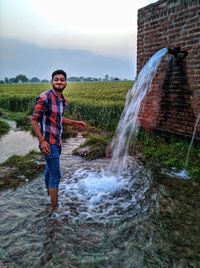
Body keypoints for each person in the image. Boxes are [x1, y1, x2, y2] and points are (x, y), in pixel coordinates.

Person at [31, 69, 86, 212]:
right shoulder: (44, 98)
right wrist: (42, 141)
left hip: (58, 142)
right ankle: (55, 210)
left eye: (62, 79)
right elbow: (34, 120)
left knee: (49, 170)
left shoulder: (63, 100)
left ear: (66, 83)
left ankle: (49, 196)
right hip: (48, 143)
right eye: (56, 79)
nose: (59, 82)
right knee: (56, 174)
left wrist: (75, 122)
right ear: (52, 82)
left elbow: (59, 119)